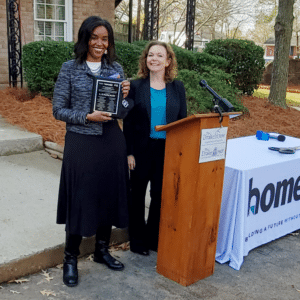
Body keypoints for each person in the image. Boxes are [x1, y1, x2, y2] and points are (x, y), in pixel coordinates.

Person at [52, 16, 130, 287]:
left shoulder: (116, 68)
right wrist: (87, 116)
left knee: (107, 196)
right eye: (94, 37)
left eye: (105, 38)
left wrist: (126, 96)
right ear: (85, 39)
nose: (100, 43)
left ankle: (101, 250)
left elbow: (122, 110)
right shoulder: (70, 69)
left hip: (111, 141)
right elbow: (58, 110)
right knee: (80, 198)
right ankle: (70, 258)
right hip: (82, 142)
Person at [123, 41, 187, 255]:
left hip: (166, 150)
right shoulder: (135, 86)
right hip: (141, 149)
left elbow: (182, 121)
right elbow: (129, 122)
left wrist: (180, 153)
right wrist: (129, 151)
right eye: (151, 55)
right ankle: (138, 242)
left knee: (160, 195)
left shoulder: (177, 87)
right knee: (137, 195)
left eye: (160, 55)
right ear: (145, 59)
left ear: (168, 61)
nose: (154, 59)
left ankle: (153, 239)